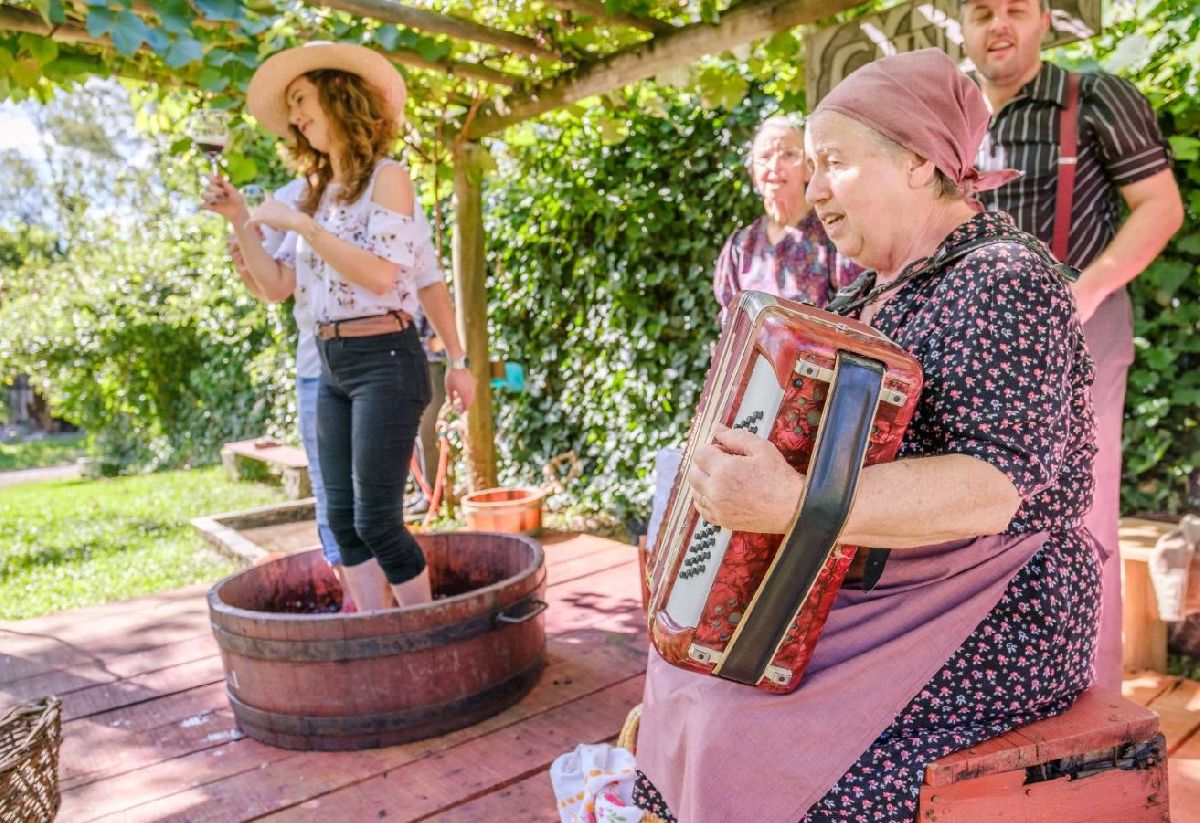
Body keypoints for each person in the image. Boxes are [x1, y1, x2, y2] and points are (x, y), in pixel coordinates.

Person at [634, 49, 1099, 822]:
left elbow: (990, 489)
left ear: (919, 161)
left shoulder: (1005, 276)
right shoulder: (863, 291)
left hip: (997, 607)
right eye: (810, 167)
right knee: (682, 675)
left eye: (834, 163)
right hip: (883, 587)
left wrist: (790, 501)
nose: (813, 190)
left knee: (736, 733)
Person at [203, 41, 476, 611]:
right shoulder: (315, 193)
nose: (296, 118)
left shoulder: (388, 178)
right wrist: (238, 220)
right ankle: (378, 635)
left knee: (378, 521)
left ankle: (423, 632)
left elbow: (382, 276)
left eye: (302, 100)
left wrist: (303, 227)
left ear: (338, 98)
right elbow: (276, 287)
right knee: (346, 524)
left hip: (386, 359)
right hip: (330, 365)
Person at [960, 0, 1185, 690]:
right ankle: (992, 689)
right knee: (973, 518)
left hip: (1078, 334)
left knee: (1082, 519)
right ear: (961, 26)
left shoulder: (1094, 96)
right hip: (970, 341)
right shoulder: (951, 110)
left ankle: (1094, 700)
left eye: (1016, 9)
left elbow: (1161, 206)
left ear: (1044, 21)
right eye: (981, 11)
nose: (999, 24)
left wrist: (1085, 290)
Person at [713, 115, 860, 320]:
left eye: (789, 154)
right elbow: (729, 324)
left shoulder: (832, 233)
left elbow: (856, 316)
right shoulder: (740, 246)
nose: (774, 166)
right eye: (764, 156)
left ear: (808, 170)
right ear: (753, 172)